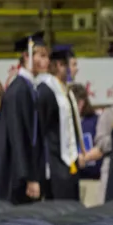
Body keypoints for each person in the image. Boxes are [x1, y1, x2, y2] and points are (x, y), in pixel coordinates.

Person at [0, 31, 48, 204]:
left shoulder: (29, 87)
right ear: (26, 55)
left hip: (22, 172)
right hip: (16, 176)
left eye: (46, 56)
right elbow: (19, 136)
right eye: (41, 55)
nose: (45, 60)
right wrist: (29, 177)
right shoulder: (19, 90)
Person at [35, 45, 89, 201]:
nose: (76, 70)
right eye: (73, 65)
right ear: (59, 65)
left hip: (69, 163)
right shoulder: (45, 91)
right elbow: (41, 130)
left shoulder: (66, 92)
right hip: (54, 165)